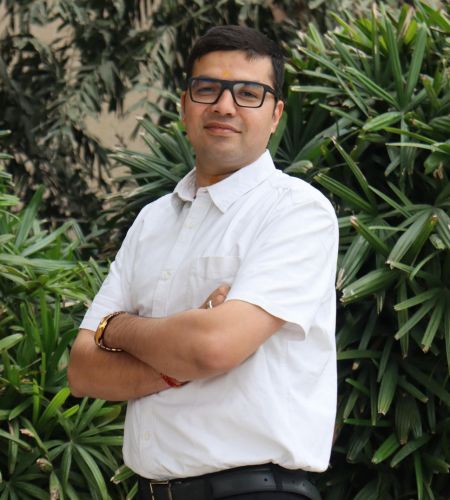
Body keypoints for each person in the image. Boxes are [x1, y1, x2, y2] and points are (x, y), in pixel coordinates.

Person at [68, 25, 339, 500]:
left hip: (257, 492)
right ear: (185, 105)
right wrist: (179, 356)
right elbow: (83, 369)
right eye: (208, 88)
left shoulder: (297, 211)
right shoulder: (153, 220)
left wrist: (117, 328)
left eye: (248, 93)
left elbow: (213, 347)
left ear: (275, 114)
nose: (225, 106)